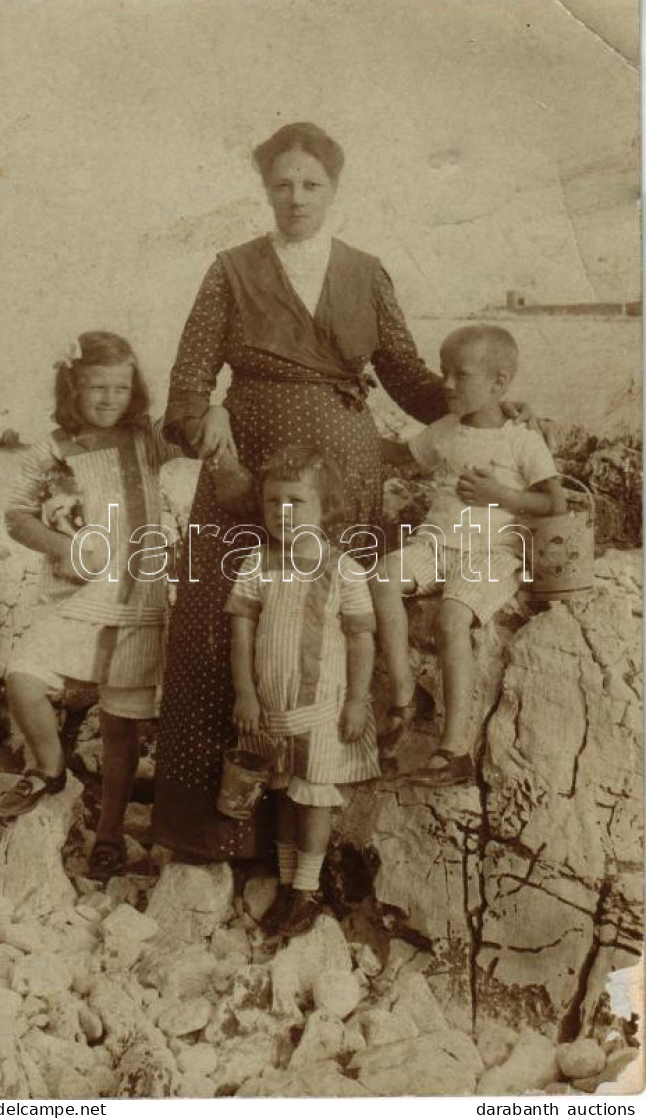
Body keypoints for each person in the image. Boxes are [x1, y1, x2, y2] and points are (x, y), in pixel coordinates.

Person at [152, 121, 451, 862]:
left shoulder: (365, 272)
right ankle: (212, 836)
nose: (295, 197)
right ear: (264, 189)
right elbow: (187, 386)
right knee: (216, 627)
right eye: (281, 183)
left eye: (310, 184)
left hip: (344, 478)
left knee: (331, 631)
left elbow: (409, 379)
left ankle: (318, 846)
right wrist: (213, 436)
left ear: (333, 190)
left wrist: (478, 408)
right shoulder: (230, 270)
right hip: (243, 473)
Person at [0, 332, 180, 881]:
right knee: (24, 672)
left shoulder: (146, 438)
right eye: (97, 386)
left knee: (121, 727)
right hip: (80, 594)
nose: (109, 398)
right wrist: (64, 547)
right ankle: (50, 766)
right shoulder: (52, 450)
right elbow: (17, 517)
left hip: (139, 597)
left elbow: (188, 438)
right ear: (73, 386)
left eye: (121, 387)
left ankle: (110, 834)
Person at [375, 325, 566, 788]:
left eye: (461, 375)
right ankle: (404, 694)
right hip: (436, 545)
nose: (447, 384)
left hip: (491, 553)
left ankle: (453, 749)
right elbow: (402, 455)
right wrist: (349, 428)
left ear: (499, 383)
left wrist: (502, 494)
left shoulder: (521, 440)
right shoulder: (445, 431)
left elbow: (555, 503)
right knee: (381, 577)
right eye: (444, 372)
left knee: (451, 616)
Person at [225, 446, 378, 936]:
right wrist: (245, 693)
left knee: (312, 795)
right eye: (273, 502)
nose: (283, 513)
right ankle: (290, 883)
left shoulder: (344, 570)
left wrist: (357, 700)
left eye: (297, 502)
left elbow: (360, 638)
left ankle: (306, 890)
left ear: (325, 507)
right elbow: (242, 632)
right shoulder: (257, 563)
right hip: (272, 706)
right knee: (283, 793)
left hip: (321, 710)